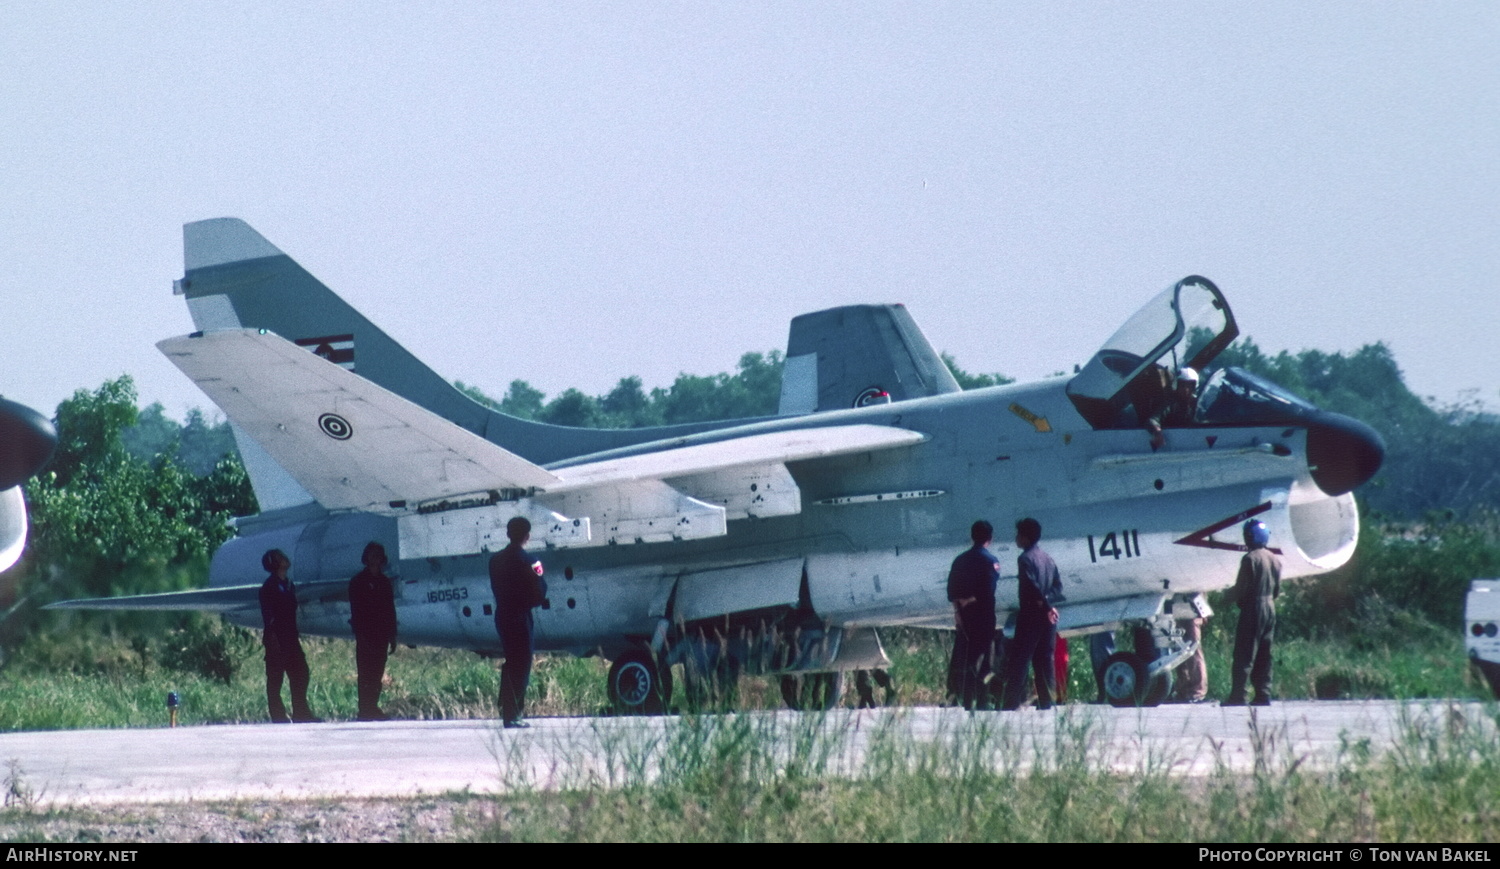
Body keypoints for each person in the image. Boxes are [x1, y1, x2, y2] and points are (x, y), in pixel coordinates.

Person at [1000, 518, 1064, 711]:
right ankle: (1047, 701)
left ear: (1025, 538)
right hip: (1048, 618)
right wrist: (1049, 606)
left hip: (1030, 616)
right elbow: (1058, 588)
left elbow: (1031, 587)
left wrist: (1044, 605)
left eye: (1018, 534)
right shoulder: (1048, 559)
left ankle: (1011, 702)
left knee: (1020, 660)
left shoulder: (1025, 559)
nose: (1016, 538)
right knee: (1045, 660)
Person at [491, 516, 547, 728]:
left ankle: (506, 707)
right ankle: (513, 713)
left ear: (508, 534)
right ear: (527, 536)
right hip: (520, 616)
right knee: (521, 664)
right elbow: (539, 592)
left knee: (511, 661)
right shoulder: (530, 561)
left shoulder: (495, 560)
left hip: (503, 614)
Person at [1224, 519, 1281, 706]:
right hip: (1270, 607)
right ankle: (1263, 694)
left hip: (1253, 608)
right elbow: (1277, 590)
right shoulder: (1274, 559)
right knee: (1265, 653)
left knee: (1244, 653)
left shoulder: (1250, 559)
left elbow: (1241, 589)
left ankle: (1238, 695)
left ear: (1250, 536)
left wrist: (1226, 597)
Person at [259, 549, 320, 723]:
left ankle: (301, 711)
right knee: (276, 678)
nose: (284, 558)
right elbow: (269, 615)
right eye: (279, 557)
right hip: (277, 638)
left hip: (290, 636)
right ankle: (278, 715)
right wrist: (272, 640)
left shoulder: (288, 585)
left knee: (301, 673)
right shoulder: (269, 587)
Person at [946, 520, 1000, 710]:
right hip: (983, 616)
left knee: (968, 658)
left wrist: (958, 609)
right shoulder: (990, 561)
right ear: (990, 539)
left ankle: (967, 700)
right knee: (985, 659)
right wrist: (971, 599)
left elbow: (951, 590)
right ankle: (982, 700)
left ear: (972, 536)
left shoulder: (960, 560)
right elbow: (988, 589)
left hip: (964, 616)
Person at [349, 541, 398, 721]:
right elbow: (356, 609)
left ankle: (372, 706)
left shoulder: (385, 582)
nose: (375, 558)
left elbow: (390, 609)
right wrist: (360, 633)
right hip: (365, 634)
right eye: (372, 554)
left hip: (382, 634)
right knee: (365, 673)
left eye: (378, 555)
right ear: (367, 558)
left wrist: (392, 635)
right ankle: (364, 709)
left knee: (377, 672)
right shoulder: (357, 582)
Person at [1147, 366, 1200, 449]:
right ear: (1176, 385)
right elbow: (1153, 420)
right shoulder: (1170, 403)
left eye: (1190, 386)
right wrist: (1157, 432)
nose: (1186, 389)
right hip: (1174, 445)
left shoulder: (1197, 403)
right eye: (1182, 385)